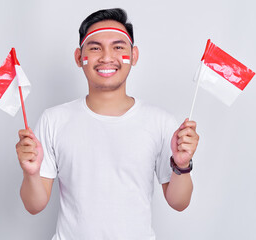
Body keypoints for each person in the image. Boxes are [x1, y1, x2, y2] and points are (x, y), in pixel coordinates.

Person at [16, 8, 199, 240]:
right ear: (78, 57)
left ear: (134, 55)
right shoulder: (53, 120)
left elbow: (179, 202)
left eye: (118, 47)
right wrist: (30, 173)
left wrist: (182, 165)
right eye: (94, 48)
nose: (106, 57)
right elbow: (34, 205)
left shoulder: (160, 121)